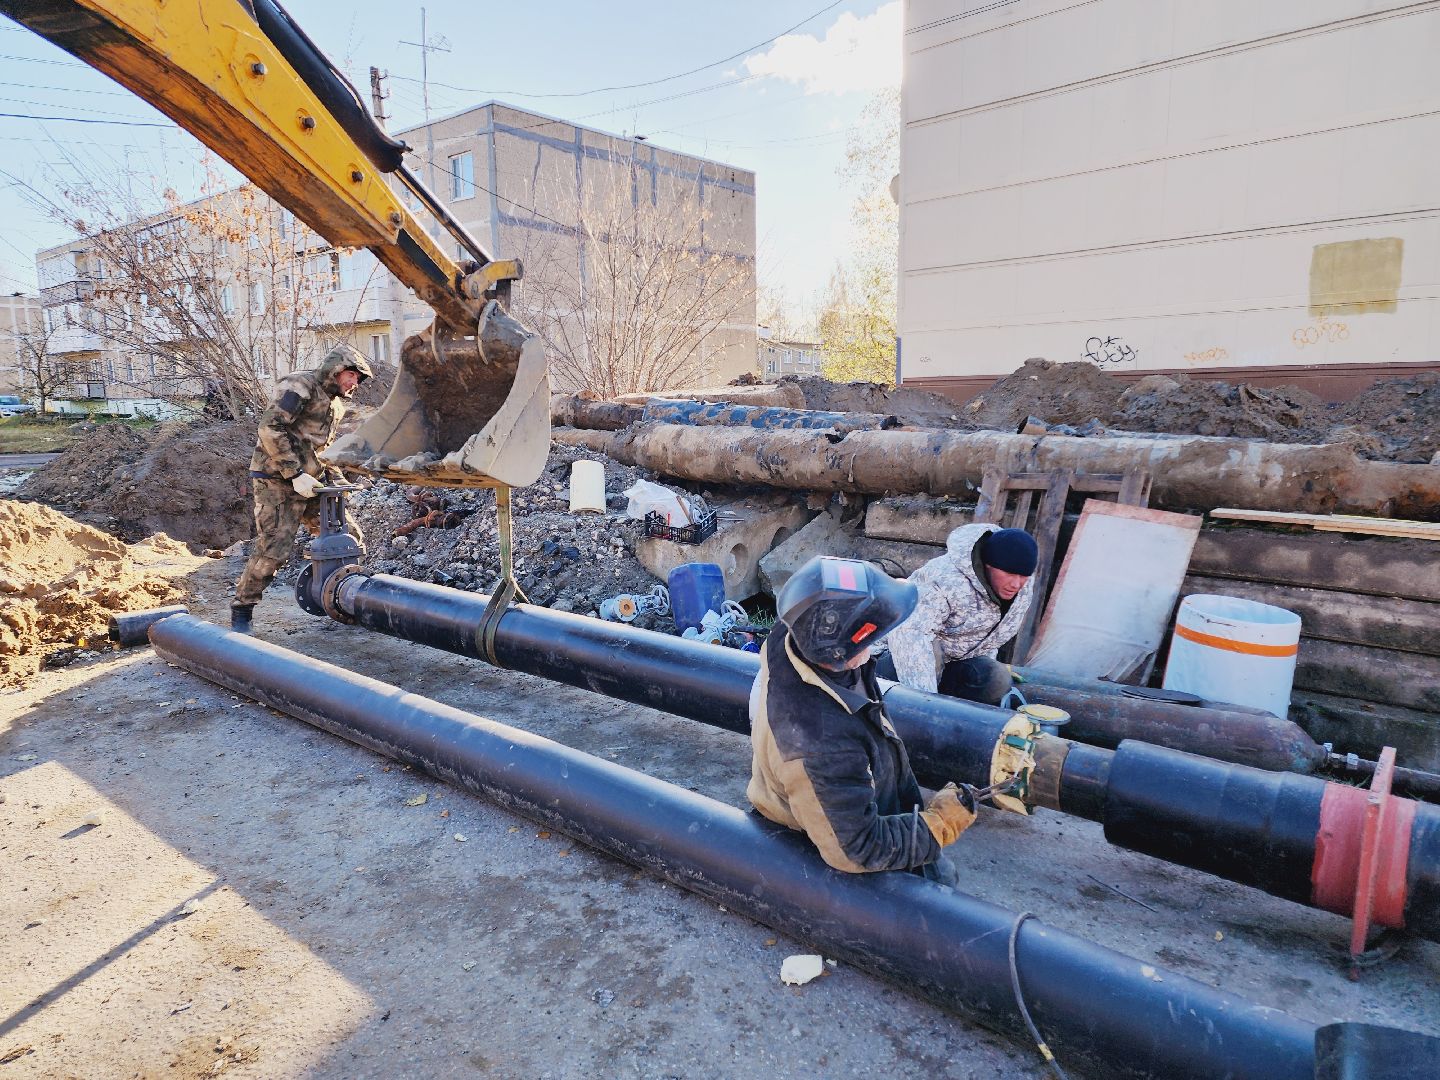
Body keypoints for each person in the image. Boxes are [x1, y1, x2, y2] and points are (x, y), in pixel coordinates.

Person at [748, 556, 979, 884]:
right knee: (939, 886)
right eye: (874, 634)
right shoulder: (822, 745)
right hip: (819, 832)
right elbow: (857, 848)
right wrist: (938, 822)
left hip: (814, 789)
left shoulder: (796, 631)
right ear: (842, 651)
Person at [231, 344, 373, 633]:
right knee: (274, 549)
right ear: (337, 369)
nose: (355, 383)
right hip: (276, 481)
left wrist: (335, 479)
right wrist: (294, 472)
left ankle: (338, 598)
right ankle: (242, 610)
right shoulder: (300, 385)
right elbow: (270, 428)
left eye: (359, 379)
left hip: (312, 485)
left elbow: (321, 448)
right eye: (352, 375)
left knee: (348, 539)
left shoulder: (335, 404)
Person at [877, 524, 1038, 704]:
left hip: (953, 662)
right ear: (988, 565)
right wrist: (927, 706)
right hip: (897, 655)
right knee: (931, 659)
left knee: (997, 679)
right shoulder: (942, 579)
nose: (1017, 584)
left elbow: (991, 634)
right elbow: (910, 636)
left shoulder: (1020, 589)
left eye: (1024, 575)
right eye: (1009, 573)